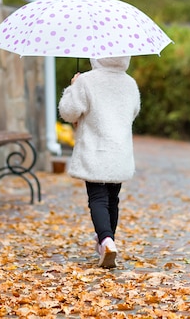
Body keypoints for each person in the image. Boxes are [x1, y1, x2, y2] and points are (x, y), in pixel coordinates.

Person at [58, 56, 141, 268]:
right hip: (119, 150)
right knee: (113, 198)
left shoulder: (86, 81)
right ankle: (108, 242)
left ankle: (105, 240)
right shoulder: (130, 83)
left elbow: (68, 112)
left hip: (96, 150)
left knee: (97, 198)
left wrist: (73, 88)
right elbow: (133, 112)